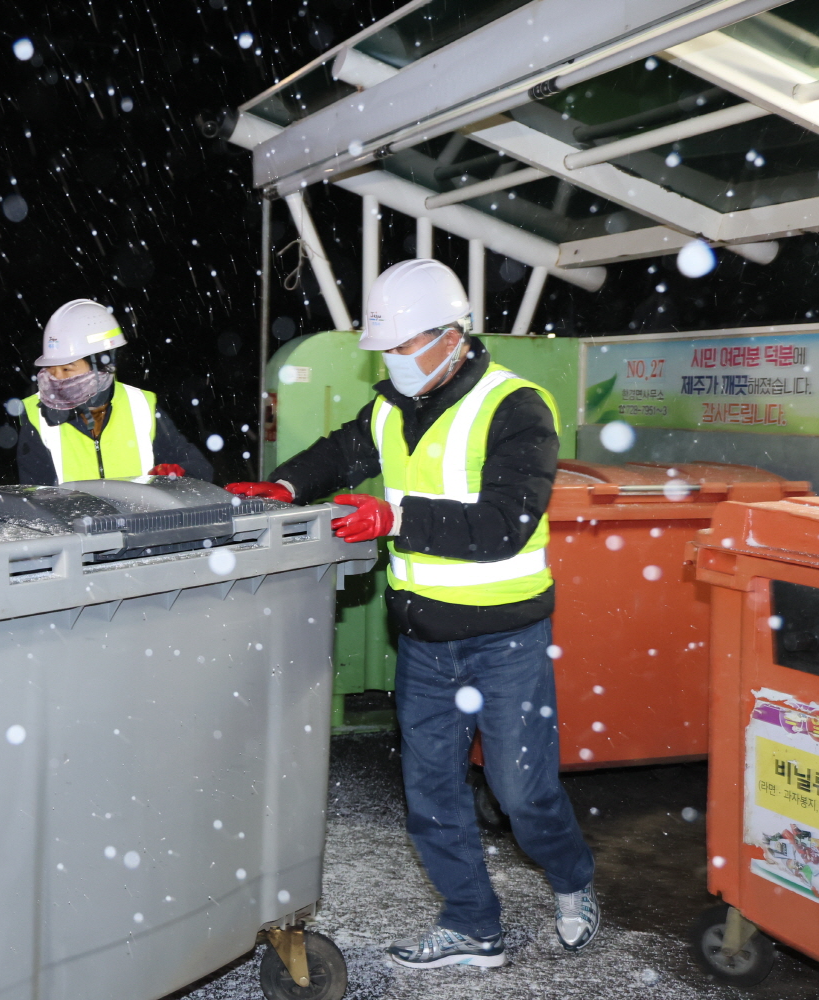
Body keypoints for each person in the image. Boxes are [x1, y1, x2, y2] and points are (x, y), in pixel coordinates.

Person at [227, 259, 598, 969]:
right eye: (386, 349)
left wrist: (395, 515)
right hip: (425, 641)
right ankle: (472, 924)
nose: (392, 361)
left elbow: (505, 522)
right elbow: (344, 451)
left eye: (402, 346)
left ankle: (574, 878)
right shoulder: (391, 407)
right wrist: (283, 484)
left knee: (522, 793)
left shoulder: (517, 407)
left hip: (506, 638)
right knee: (430, 793)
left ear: (451, 336)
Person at [16, 298, 213, 485]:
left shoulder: (141, 407)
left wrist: (178, 477)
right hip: (73, 522)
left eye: (67, 369)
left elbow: (199, 470)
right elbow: (35, 499)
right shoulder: (37, 418)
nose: (57, 379)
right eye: (50, 369)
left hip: (140, 520)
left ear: (102, 365)